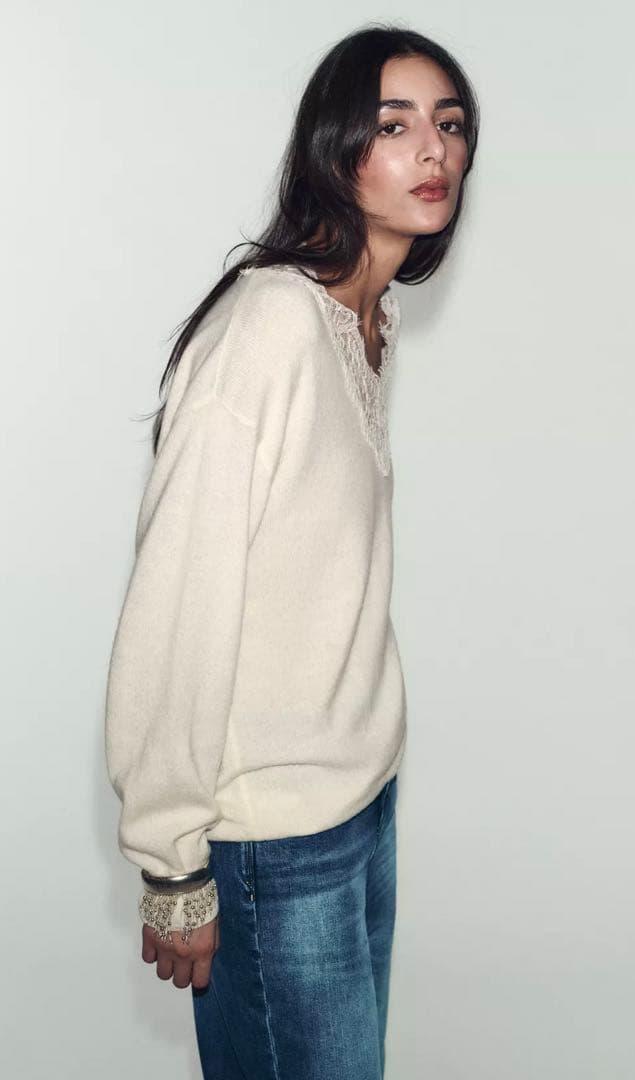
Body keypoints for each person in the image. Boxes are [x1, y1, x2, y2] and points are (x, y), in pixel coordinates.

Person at [104, 22, 480, 1080]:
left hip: (357, 799)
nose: (433, 150)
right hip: (270, 838)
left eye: (450, 124)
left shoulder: (365, 318)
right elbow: (178, 598)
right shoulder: (270, 328)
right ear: (334, 147)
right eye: (393, 124)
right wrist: (171, 861)